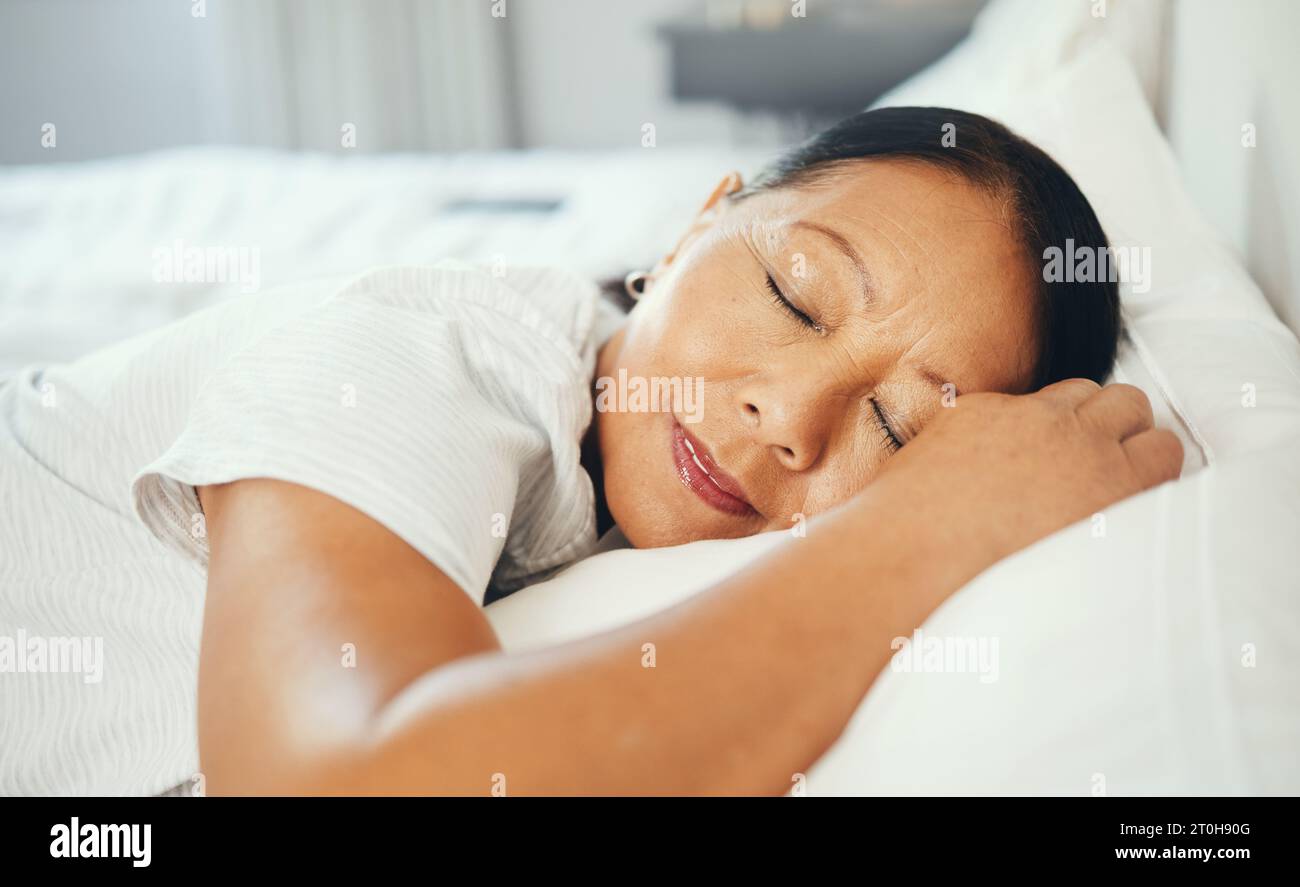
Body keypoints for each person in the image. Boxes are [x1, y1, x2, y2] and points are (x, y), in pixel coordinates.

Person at [0, 108, 1180, 795]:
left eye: (895, 429)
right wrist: (928, 524)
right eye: (793, 291)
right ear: (690, 230)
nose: (789, 415)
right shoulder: (434, 346)